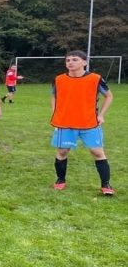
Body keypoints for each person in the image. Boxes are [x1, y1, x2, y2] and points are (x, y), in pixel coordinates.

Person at [50, 50, 114, 195]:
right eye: (68, 60)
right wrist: (56, 112)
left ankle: (106, 185)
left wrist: (101, 115)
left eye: (74, 60)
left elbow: (109, 96)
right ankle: (61, 180)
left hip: (89, 122)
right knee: (62, 151)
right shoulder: (59, 79)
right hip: (65, 122)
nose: (70, 62)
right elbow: (54, 97)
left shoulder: (95, 79)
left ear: (84, 62)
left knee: (97, 152)